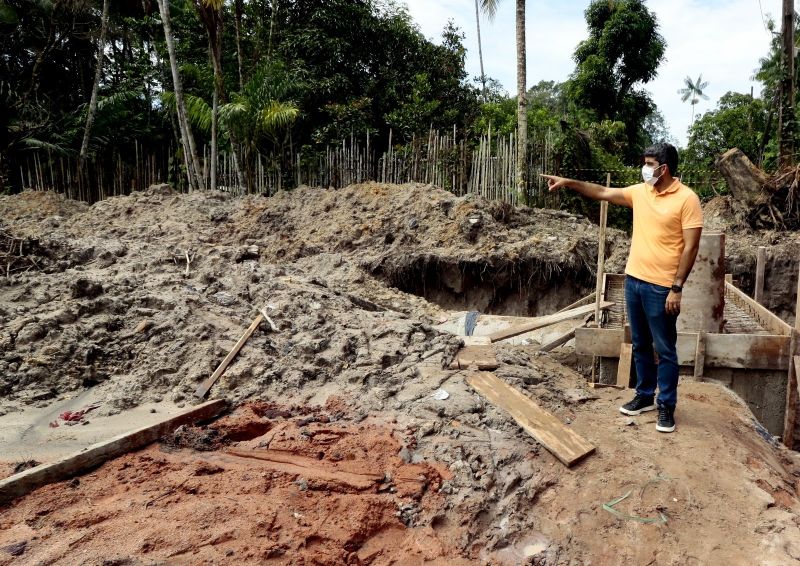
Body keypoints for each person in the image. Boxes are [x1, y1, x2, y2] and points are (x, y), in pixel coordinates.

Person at [541, 143, 703, 433]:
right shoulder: (641, 193)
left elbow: (691, 247)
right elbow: (603, 192)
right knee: (640, 343)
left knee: (665, 349)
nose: (645, 168)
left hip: (662, 287)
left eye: (649, 163)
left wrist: (677, 287)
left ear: (663, 168)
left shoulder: (687, 200)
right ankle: (644, 395)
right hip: (634, 281)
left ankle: (666, 406)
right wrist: (570, 183)